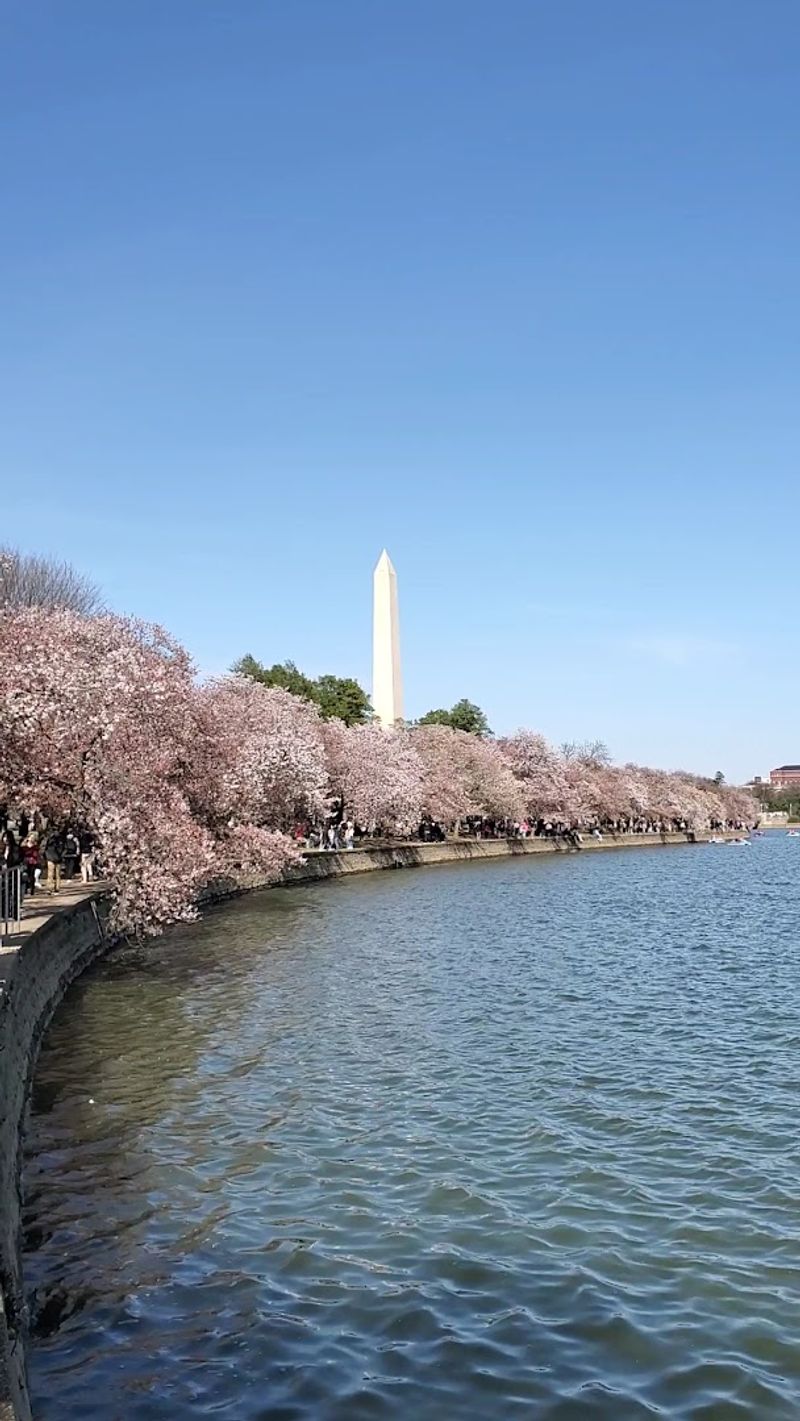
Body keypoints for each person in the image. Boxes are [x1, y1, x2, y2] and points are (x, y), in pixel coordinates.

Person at [43, 829, 65, 894]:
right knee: (52, 874)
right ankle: (51, 888)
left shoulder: (60, 840)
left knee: (55, 874)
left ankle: (55, 888)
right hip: (52, 857)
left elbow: (64, 848)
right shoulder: (49, 840)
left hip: (56, 858)